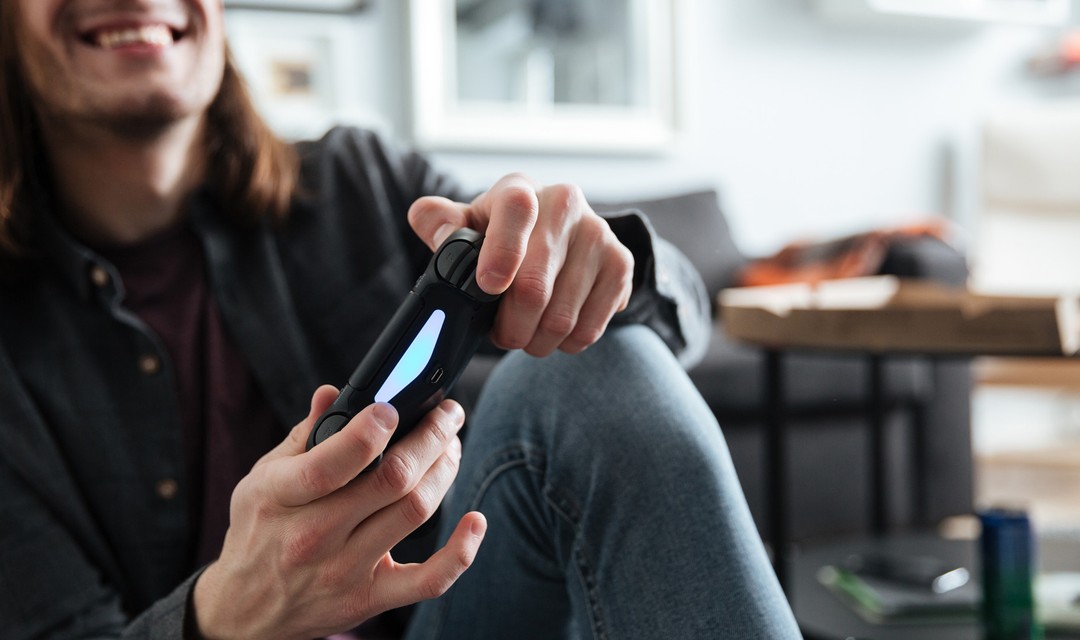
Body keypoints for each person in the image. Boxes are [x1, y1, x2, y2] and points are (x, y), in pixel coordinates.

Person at [0, 1, 802, 638]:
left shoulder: (359, 182)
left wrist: (600, 272)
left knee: (598, 369)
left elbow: (683, 317)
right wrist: (219, 620)